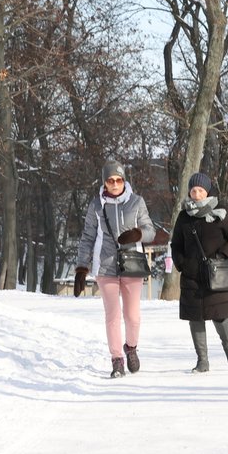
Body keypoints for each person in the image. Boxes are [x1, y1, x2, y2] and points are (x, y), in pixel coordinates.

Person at [74, 160, 156, 378]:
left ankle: (131, 348)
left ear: (124, 181)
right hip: (106, 266)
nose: (115, 184)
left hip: (131, 263)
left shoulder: (136, 202)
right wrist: (82, 268)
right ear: (104, 182)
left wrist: (137, 234)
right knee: (112, 315)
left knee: (132, 316)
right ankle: (117, 360)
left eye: (119, 180)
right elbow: (87, 238)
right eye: (110, 180)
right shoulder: (95, 206)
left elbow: (151, 231)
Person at [170, 172, 228, 373]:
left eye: (200, 190)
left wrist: (223, 256)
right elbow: (176, 244)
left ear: (207, 191)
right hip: (192, 276)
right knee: (196, 317)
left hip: (215, 274)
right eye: (193, 190)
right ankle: (202, 360)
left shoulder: (220, 212)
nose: (197, 194)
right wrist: (181, 263)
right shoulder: (184, 216)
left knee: (219, 315)